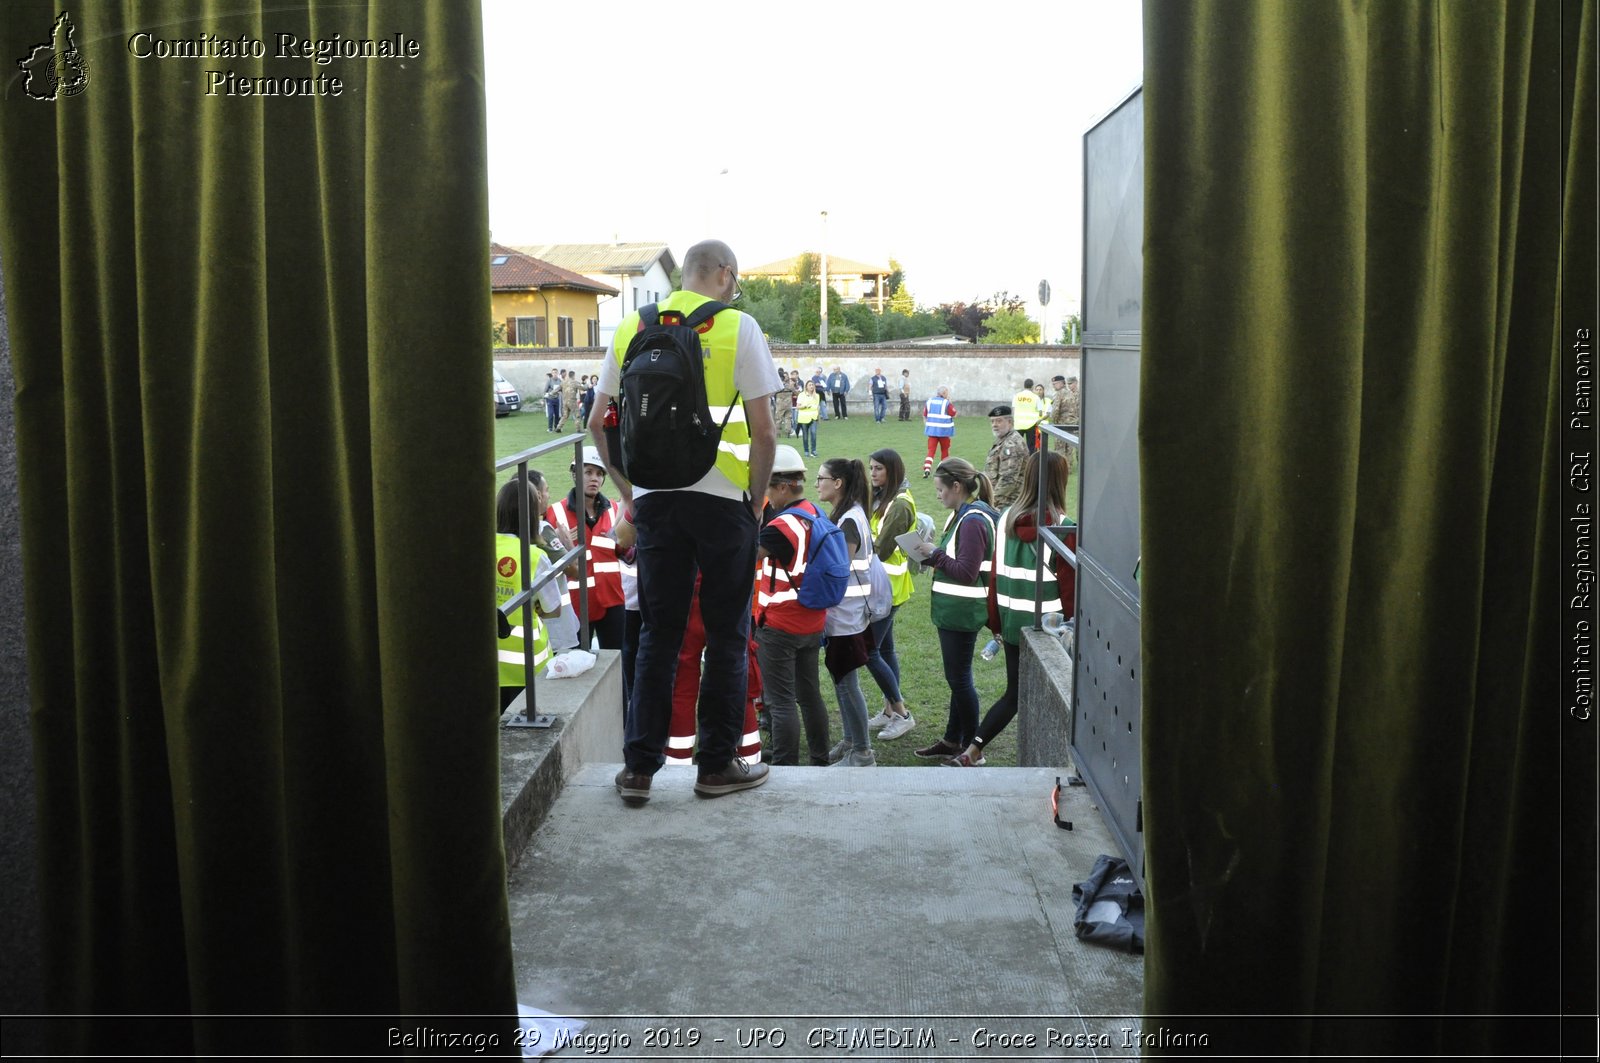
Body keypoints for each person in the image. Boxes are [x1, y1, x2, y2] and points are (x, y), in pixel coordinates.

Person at [589, 238, 778, 805]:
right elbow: (765, 432)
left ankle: (639, 770)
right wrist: (757, 499)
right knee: (726, 635)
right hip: (724, 503)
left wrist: (631, 492)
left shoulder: (631, 327)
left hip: (656, 503)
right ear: (724, 274)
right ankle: (715, 766)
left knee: (658, 635)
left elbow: (599, 423)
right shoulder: (739, 327)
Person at [947, 450, 1076, 766]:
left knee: (1014, 694)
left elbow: (994, 575)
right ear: (1061, 482)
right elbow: (1070, 590)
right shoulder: (1064, 526)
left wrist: (996, 624)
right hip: (1050, 627)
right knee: (1057, 696)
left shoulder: (1003, 517)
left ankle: (972, 750)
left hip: (1012, 621)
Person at [907, 458, 998, 761]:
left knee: (960, 680)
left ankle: (972, 749)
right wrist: (931, 554)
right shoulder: (963, 514)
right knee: (957, 678)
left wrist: (934, 554)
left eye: (940, 489)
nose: (937, 495)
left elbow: (966, 571)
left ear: (957, 487)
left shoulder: (972, 520)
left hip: (962, 611)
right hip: (956, 610)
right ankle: (952, 740)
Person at [754, 444, 833, 766]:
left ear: (784, 486)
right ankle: (819, 758)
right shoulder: (816, 513)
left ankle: (786, 766)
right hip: (812, 619)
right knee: (810, 695)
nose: (767, 496)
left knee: (781, 700)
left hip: (780, 625)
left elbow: (743, 561)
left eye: (768, 487)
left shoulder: (780, 527)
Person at [816, 457, 875, 766]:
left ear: (837, 482)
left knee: (848, 684)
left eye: (821, 478)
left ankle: (863, 753)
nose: (817, 485)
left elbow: (839, 567)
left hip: (846, 615)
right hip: (845, 614)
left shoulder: (849, 519)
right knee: (841, 679)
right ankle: (852, 741)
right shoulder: (849, 514)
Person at [545, 446, 627, 652]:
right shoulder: (554, 513)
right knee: (578, 668)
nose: (595, 479)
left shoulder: (614, 510)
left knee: (616, 668)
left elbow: (625, 552)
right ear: (575, 475)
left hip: (612, 602)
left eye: (599, 474)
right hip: (576, 606)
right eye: (588, 472)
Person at [495, 476, 565, 710]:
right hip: (526, 668)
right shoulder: (535, 556)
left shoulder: (478, 547)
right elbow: (553, 609)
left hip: (484, 665)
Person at [863, 448, 916, 741]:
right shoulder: (883, 498)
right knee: (884, 651)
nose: (873, 474)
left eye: (878, 469)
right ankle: (889, 710)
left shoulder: (899, 505)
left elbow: (882, 549)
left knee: (869, 652)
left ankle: (902, 713)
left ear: (892, 471)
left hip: (888, 587)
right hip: (884, 585)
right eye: (871, 468)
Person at [983, 404, 1029, 509]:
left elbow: (1008, 480)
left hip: (1007, 503)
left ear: (1010, 422)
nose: (994, 425)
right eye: (992, 421)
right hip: (1001, 501)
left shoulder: (1012, 444)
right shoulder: (1003, 439)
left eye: (999, 421)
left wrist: (990, 503)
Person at [922, 385, 956, 477]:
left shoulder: (929, 401)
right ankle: (942, 469)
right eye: (947, 393)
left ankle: (927, 468)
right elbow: (953, 413)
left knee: (931, 450)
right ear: (944, 393)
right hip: (944, 431)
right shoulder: (946, 403)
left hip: (932, 431)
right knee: (944, 450)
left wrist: (928, 426)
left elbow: (925, 415)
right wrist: (950, 402)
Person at [1012, 378, 1044, 452]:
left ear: (1024, 386)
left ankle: (1019, 462)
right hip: (1031, 424)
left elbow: (1013, 410)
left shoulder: (1017, 396)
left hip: (1018, 424)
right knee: (1031, 447)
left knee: (1017, 446)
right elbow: (1040, 412)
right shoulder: (1036, 397)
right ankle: (1031, 462)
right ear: (1032, 386)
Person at [795, 379, 821, 458]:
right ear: (806, 387)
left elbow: (817, 407)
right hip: (803, 418)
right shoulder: (801, 395)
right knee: (805, 436)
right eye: (809, 385)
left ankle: (813, 451)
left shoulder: (817, 396)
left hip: (813, 417)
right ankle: (806, 451)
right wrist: (804, 406)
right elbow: (798, 406)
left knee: (813, 434)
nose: (811, 386)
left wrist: (818, 418)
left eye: (812, 385)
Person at [773, 371, 795, 437]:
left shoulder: (777, 385)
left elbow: (772, 392)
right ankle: (788, 432)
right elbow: (794, 391)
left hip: (780, 404)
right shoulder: (788, 385)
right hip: (788, 404)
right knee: (788, 417)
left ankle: (777, 432)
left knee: (778, 418)